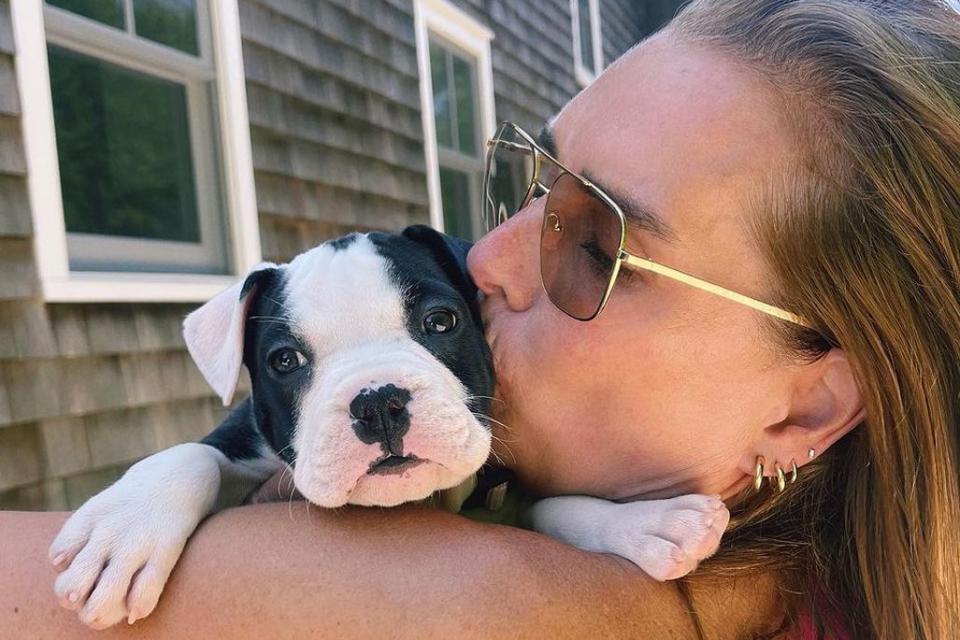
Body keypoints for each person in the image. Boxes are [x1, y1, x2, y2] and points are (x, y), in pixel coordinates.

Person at [2, 0, 958, 637]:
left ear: (804, 409)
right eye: (529, 181)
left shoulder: (490, 605)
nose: (485, 260)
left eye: (598, 246)